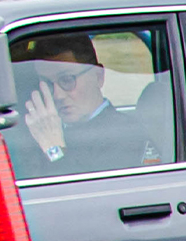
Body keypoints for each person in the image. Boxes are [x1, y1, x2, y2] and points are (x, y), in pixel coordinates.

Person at [9, 31, 157, 176]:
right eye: (47, 83)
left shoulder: (126, 134)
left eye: (67, 80)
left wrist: (54, 148)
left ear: (98, 76)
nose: (57, 95)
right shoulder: (41, 129)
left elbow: (83, 195)